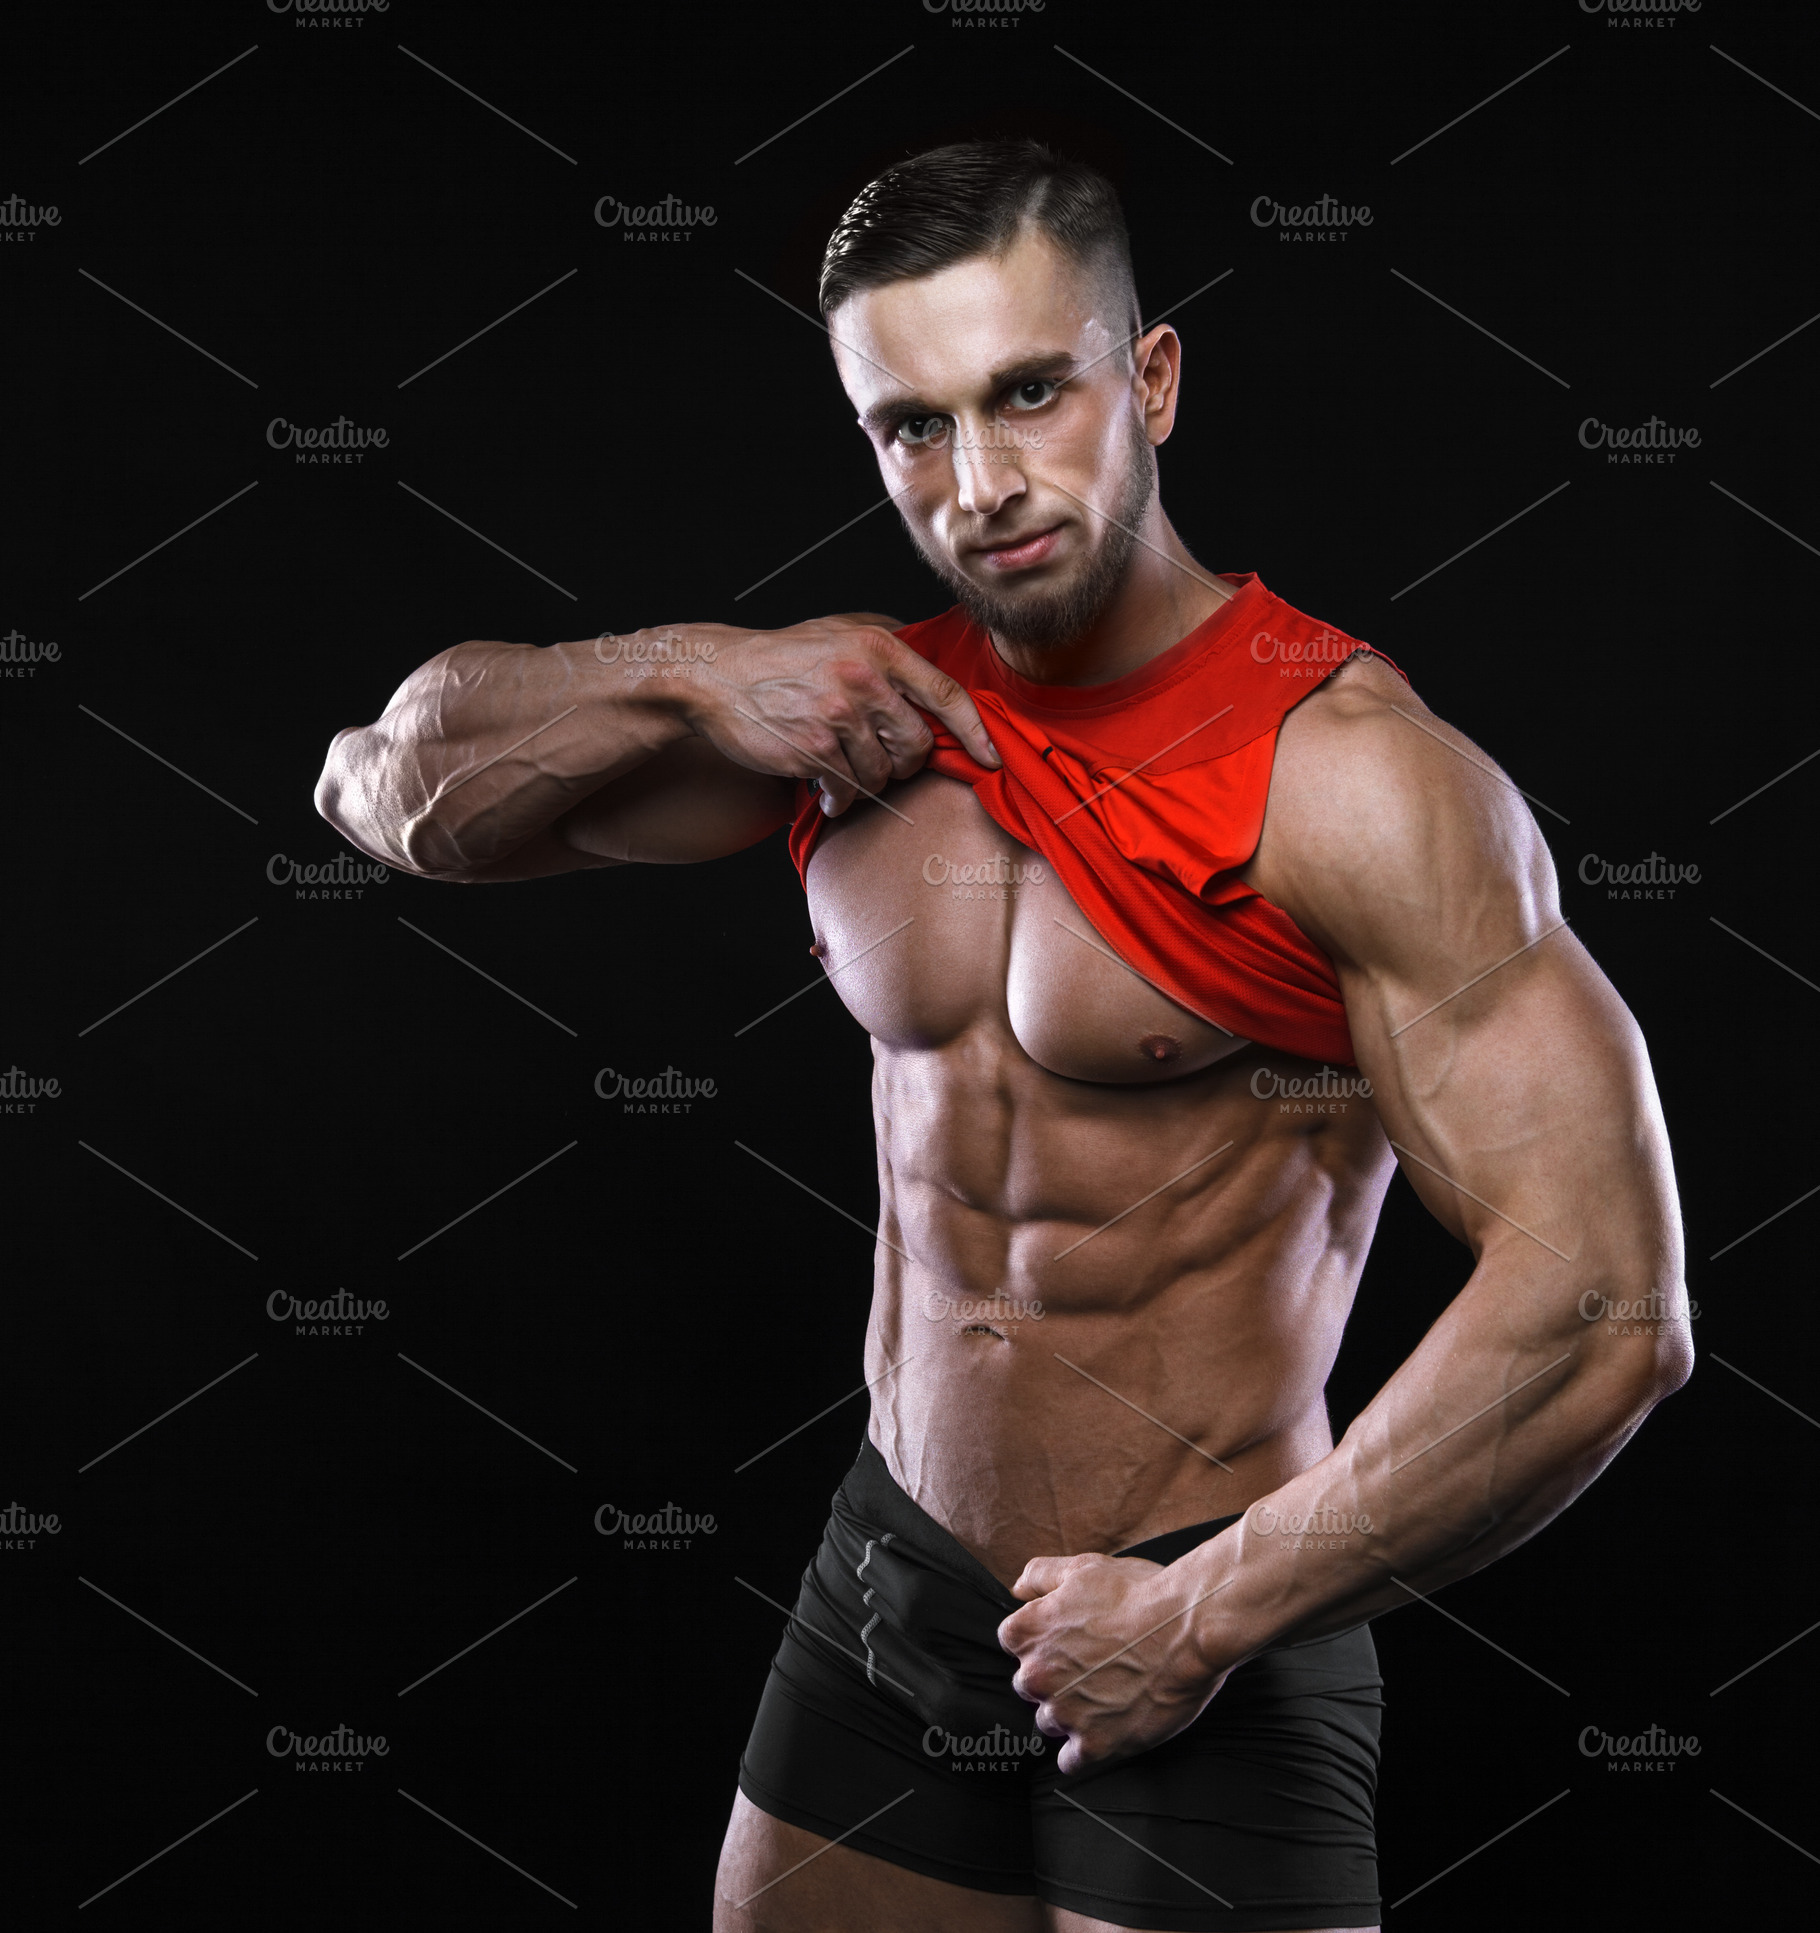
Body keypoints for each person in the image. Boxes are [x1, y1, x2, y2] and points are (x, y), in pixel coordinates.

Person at [316, 140, 1690, 1933]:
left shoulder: (1350, 780)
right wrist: (687, 668)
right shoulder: (864, 717)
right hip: (894, 1579)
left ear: (1154, 379)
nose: (979, 484)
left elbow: (1607, 1307)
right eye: (911, 425)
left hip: (1206, 1619)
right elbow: (390, 791)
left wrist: (1203, 1616)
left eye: (1032, 393)